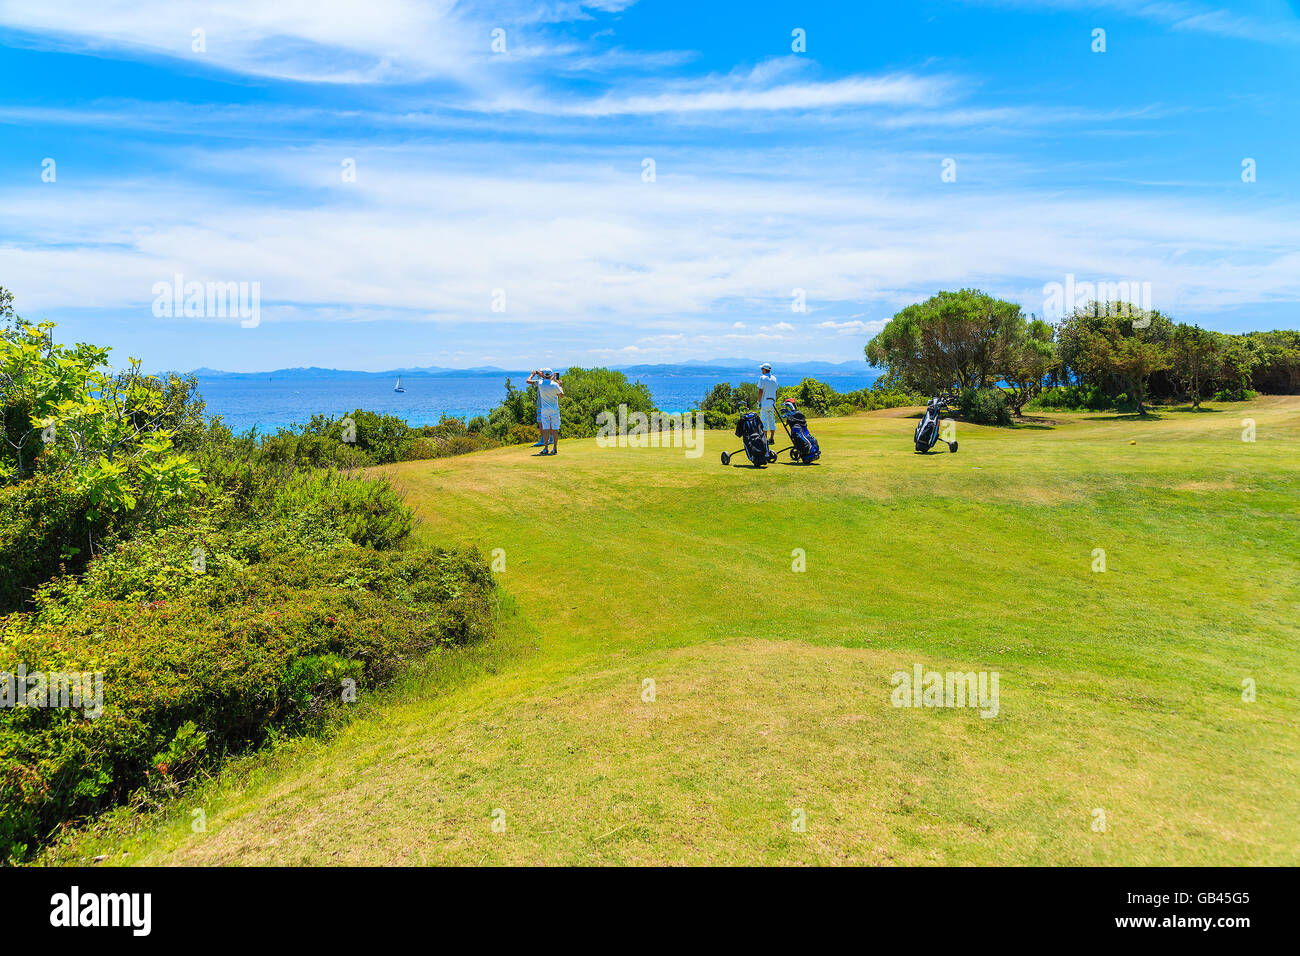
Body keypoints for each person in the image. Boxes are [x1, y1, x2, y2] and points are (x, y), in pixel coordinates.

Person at [526, 368, 564, 455]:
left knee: (546, 429)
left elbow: (528, 381)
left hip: (544, 410)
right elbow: (561, 395)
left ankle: (546, 448)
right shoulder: (555, 384)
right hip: (554, 409)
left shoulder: (540, 383)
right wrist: (560, 386)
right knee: (554, 429)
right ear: (551, 375)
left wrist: (532, 374)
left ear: (543, 374)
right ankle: (554, 448)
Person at [758, 362, 778, 445]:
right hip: (772, 403)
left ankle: (765, 439)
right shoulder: (774, 378)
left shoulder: (762, 378)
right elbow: (776, 391)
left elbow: (760, 391)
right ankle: (772, 438)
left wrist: (758, 402)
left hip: (765, 402)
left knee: (764, 421)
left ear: (765, 369)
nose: (761, 370)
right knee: (772, 420)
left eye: (762, 368)